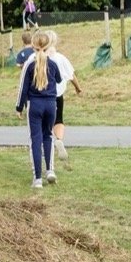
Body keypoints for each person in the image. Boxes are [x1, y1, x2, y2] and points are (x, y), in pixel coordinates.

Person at [16, 31, 63, 187]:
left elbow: (23, 88)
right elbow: (59, 79)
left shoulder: (29, 64)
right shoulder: (53, 64)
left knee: (35, 139)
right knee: (48, 136)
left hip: (35, 104)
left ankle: (37, 178)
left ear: (33, 46)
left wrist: (19, 107)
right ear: (49, 46)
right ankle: (50, 170)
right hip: (51, 104)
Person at [48, 30, 83, 164]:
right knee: (58, 120)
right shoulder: (61, 58)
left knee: (45, 123)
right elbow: (71, 76)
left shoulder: (39, 58)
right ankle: (59, 140)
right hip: (58, 95)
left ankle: (46, 144)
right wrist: (78, 88)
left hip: (43, 96)